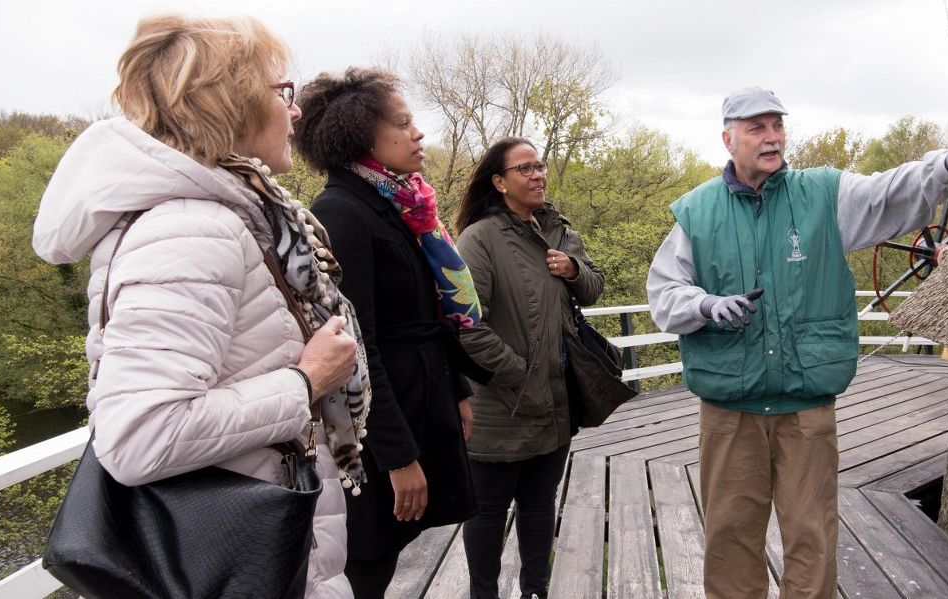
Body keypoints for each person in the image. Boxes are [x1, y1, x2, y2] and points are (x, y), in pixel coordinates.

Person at [646, 87, 948, 597]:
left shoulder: (823, 194)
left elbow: (889, 192)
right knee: (729, 537)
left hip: (806, 410)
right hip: (730, 413)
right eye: (756, 128)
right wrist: (705, 306)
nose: (771, 137)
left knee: (813, 537)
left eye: (777, 125)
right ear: (728, 139)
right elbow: (663, 293)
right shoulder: (696, 212)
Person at [31, 15, 366, 598]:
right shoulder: (192, 227)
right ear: (232, 102)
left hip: (253, 547)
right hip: (233, 556)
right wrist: (307, 380)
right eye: (281, 92)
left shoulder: (234, 217)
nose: (294, 113)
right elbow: (141, 436)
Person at [292, 67, 486, 598]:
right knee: (367, 561)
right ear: (361, 137)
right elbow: (358, 345)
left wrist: (458, 392)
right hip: (381, 423)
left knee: (391, 553)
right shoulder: (341, 211)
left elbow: (426, 314)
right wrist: (396, 457)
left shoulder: (398, 205)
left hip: (421, 395)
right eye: (403, 123)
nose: (418, 133)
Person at [452, 137, 620, 599]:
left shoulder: (559, 231)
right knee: (487, 514)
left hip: (555, 401)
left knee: (539, 506)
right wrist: (521, 375)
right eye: (524, 168)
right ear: (500, 181)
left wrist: (573, 270)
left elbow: (594, 287)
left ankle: (534, 591)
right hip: (499, 408)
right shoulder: (479, 238)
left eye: (539, 165)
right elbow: (467, 327)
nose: (537, 175)